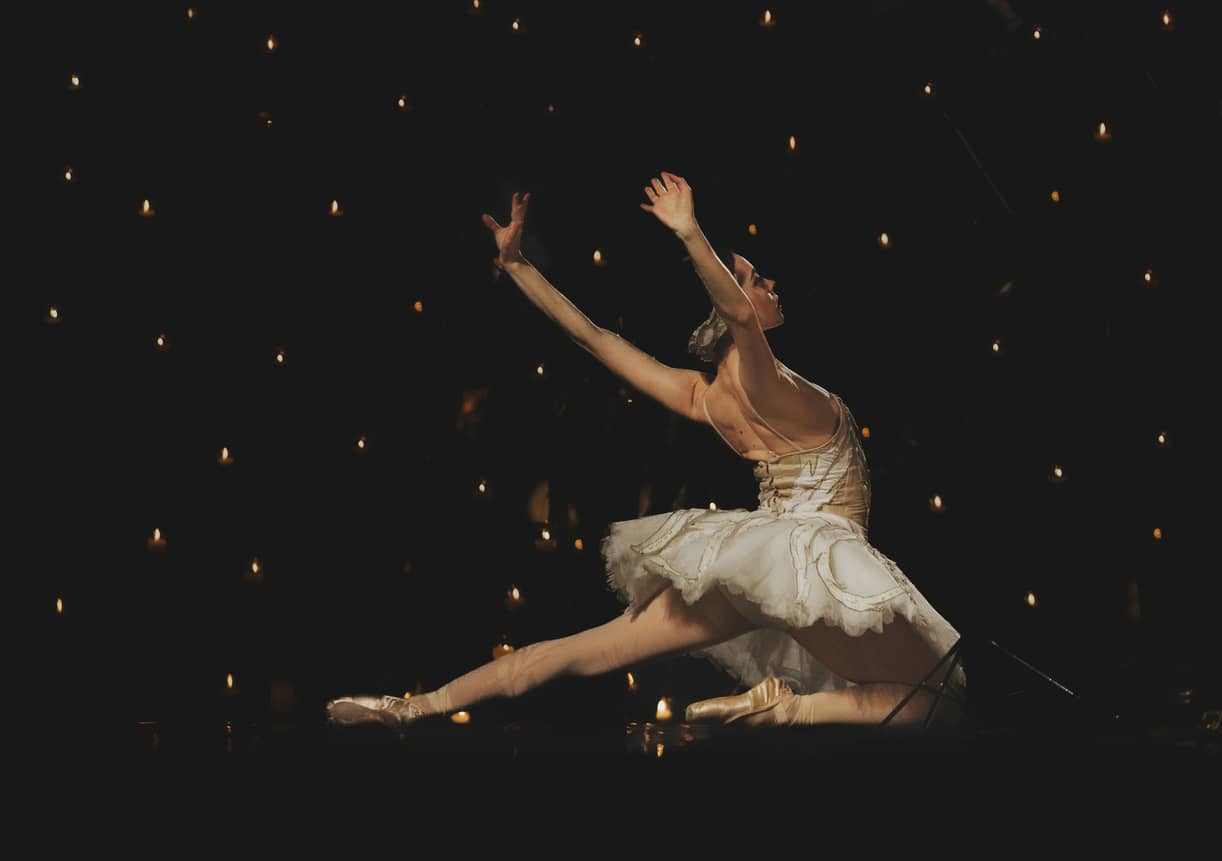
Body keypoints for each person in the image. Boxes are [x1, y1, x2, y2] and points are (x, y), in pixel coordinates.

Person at [326, 172, 967, 734]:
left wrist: (519, 267)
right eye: (755, 279)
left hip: (756, 562)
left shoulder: (705, 397)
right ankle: (784, 710)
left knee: (586, 650)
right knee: (939, 697)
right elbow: (740, 318)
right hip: (815, 560)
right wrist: (690, 232)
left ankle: (413, 706)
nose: (770, 284)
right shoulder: (770, 383)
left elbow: (595, 338)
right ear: (732, 298)